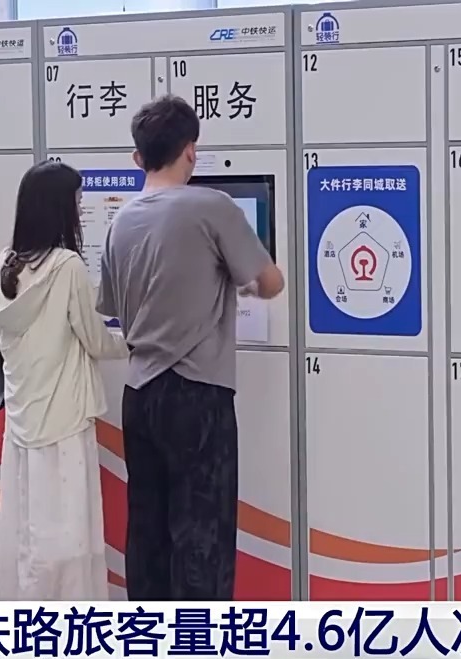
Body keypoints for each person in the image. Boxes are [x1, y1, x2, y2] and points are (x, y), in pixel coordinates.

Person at [96, 95, 285, 600]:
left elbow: (110, 305)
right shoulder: (212, 206)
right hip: (198, 394)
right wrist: (244, 282)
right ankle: (199, 635)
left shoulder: (119, 222)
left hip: (140, 394)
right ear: (191, 151)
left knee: (148, 533)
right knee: (203, 535)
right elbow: (270, 281)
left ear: (138, 158)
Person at [0, 161, 128, 599]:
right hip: (64, 416)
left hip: (23, 416)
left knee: (27, 527)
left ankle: (27, 608)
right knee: (68, 531)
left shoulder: (7, 262)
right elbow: (94, 338)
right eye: (77, 202)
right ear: (60, 208)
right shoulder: (66, 266)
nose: (80, 210)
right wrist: (137, 343)